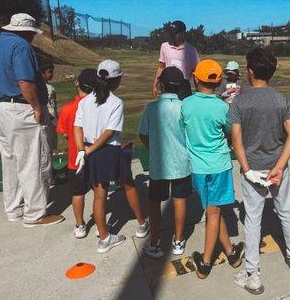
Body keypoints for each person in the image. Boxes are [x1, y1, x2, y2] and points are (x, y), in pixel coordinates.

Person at [0, 13, 64, 227]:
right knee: (32, 160)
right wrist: (37, 107)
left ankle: (14, 209)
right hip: (21, 107)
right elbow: (25, 81)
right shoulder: (21, 46)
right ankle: (35, 214)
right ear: (27, 32)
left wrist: (1, 88)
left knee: (10, 160)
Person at [231, 48, 290, 295]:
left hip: (254, 168)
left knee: (253, 220)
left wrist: (248, 170)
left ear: (250, 71)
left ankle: (253, 275)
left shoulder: (240, 101)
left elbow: (236, 141)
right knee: (287, 212)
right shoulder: (281, 99)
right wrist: (280, 166)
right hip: (277, 166)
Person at [73, 60, 148, 253]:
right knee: (128, 185)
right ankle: (141, 224)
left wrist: (83, 149)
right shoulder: (116, 102)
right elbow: (108, 133)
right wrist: (88, 150)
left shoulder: (84, 101)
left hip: (92, 150)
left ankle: (104, 237)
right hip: (110, 151)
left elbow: (77, 127)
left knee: (99, 195)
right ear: (116, 80)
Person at [181, 59, 244, 279]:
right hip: (218, 166)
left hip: (198, 168)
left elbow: (184, 128)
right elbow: (230, 131)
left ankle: (230, 253)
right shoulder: (221, 107)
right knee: (214, 212)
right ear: (219, 82)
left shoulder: (186, 104)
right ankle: (206, 262)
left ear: (195, 78)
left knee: (213, 211)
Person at [139, 67, 192, 258]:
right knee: (180, 200)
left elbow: (143, 134)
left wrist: (153, 148)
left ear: (161, 84)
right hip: (181, 162)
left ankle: (154, 242)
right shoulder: (184, 107)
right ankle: (178, 240)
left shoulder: (152, 108)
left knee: (155, 203)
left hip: (159, 164)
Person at [55, 68, 97, 238]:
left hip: (75, 158)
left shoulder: (68, 108)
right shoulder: (98, 106)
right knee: (98, 191)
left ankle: (80, 225)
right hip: (95, 156)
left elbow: (64, 132)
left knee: (77, 193)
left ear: (77, 83)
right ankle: (100, 219)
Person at [152, 20, 200, 100]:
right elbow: (161, 67)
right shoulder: (165, 46)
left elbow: (195, 72)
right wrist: (155, 85)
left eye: (175, 33)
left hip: (184, 87)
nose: (172, 36)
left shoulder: (191, 50)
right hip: (168, 85)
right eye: (171, 33)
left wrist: (199, 92)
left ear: (182, 33)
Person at [40, 60, 58, 153]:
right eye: (49, 72)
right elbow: (51, 108)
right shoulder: (48, 88)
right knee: (48, 147)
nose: (52, 74)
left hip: (49, 119)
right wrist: (54, 120)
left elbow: (54, 106)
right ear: (42, 72)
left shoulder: (50, 87)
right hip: (49, 121)